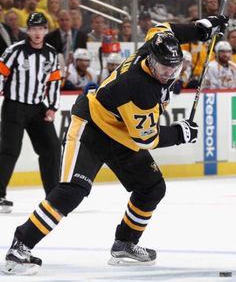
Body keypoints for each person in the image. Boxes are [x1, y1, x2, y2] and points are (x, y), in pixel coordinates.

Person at [2, 15, 228, 275]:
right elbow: (146, 138)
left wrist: (200, 29)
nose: (169, 74)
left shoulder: (153, 46)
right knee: (71, 191)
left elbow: (166, 29)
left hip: (120, 132)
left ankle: (125, 243)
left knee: (152, 187)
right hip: (92, 128)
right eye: (164, 68)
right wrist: (179, 132)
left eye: (173, 68)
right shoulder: (140, 87)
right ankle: (20, 246)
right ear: (151, 62)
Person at [0, 12, 62, 214]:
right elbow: (1, 73)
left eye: (41, 29)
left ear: (46, 30)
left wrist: (52, 107)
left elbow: (53, 82)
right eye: (33, 29)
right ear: (28, 30)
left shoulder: (51, 53)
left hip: (37, 107)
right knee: (10, 150)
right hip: (14, 106)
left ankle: (53, 197)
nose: (37, 33)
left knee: (52, 148)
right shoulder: (15, 50)